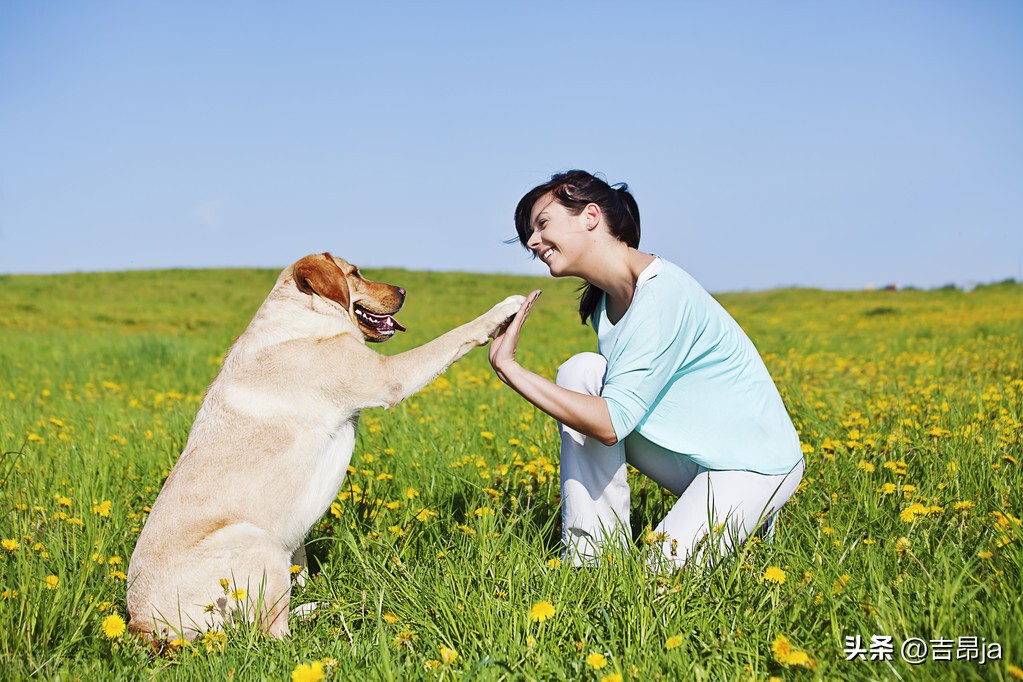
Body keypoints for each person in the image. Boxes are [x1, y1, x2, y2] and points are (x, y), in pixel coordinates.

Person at [488, 170, 804, 569]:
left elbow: (611, 423)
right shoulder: (606, 303)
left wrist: (509, 368)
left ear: (590, 216)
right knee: (581, 372)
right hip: (692, 453)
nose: (533, 242)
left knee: (657, 573)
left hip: (753, 463)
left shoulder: (663, 293)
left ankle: (750, 513)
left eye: (543, 224)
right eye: (529, 233)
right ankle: (590, 556)